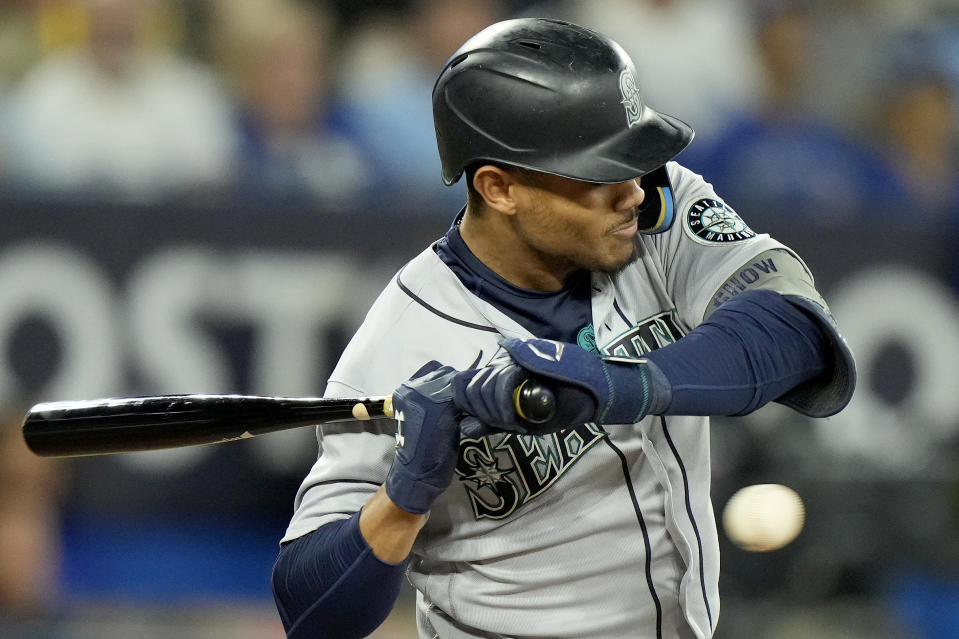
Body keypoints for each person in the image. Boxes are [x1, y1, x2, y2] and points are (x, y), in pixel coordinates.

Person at [271, 18, 856, 639]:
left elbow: (795, 329)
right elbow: (311, 613)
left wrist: (623, 385)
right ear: (499, 188)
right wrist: (406, 491)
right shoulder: (397, 346)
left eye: (631, 157)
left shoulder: (653, 217)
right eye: (598, 173)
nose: (633, 190)